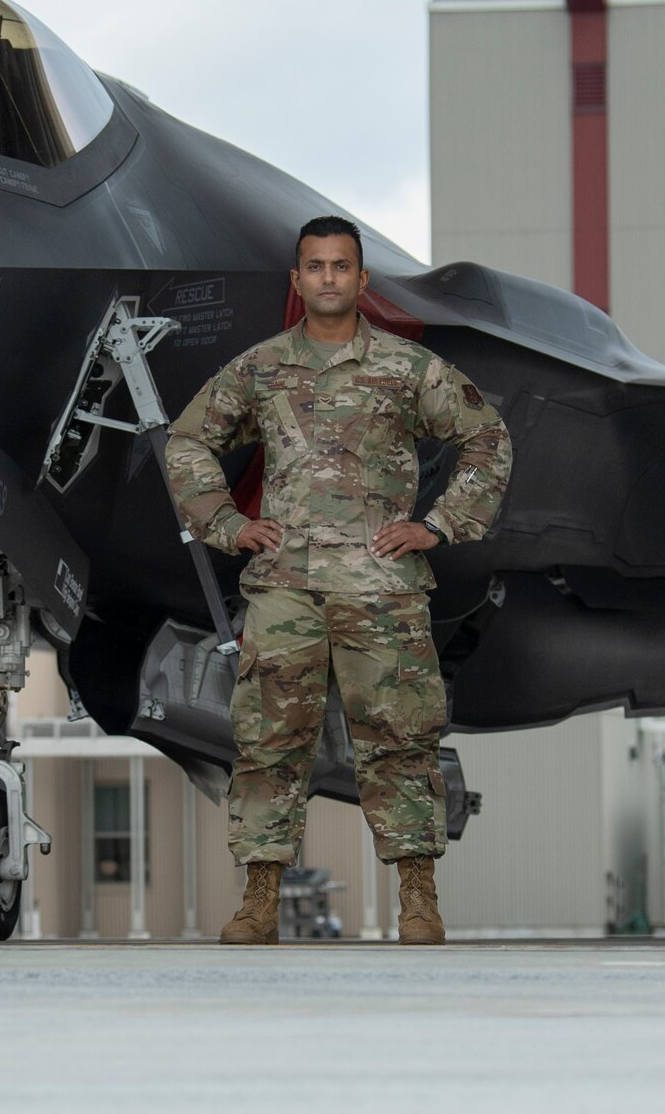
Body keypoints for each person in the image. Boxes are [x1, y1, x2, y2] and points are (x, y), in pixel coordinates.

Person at [166, 215, 512, 944]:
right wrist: (228, 526)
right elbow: (190, 439)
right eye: (315, 267)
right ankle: (259, 900)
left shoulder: (405, 369)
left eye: (341, 266)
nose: (328, 277)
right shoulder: (260, 369)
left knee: (399, 742)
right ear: (298, 281)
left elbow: (486, 437)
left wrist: (439, 526)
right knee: (268, 743)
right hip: (286, 588)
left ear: (361, 279)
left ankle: (418, 900)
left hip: (381, 585)